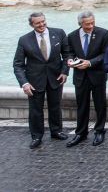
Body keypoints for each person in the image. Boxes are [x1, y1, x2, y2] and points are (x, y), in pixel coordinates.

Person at [12, 12, 70, 149]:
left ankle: (56, 131)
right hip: (34, 81)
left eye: (43, 21)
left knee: (55, 106)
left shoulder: (59, 33)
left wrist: (64, 72)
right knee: (35, 110)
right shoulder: (24, 40)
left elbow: (67, 55)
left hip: (56, 77)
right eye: (38, 23)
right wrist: (24, 83)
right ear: (31, 24)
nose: (42, 24)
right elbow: (18, 64)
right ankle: (36, 136)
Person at [66, 11, 108, 147]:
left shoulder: (103, 33)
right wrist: (70, 60)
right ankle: (81, 133)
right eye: (87, 24)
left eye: (92, 23)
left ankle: (99, 131)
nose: (91, 26)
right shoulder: (72, 36)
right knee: (81, 106)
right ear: (80, 23)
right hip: (80, 77)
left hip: (97, 75)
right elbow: (69, 52)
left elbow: (106, 53)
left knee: (100, 105)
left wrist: (90, 63)